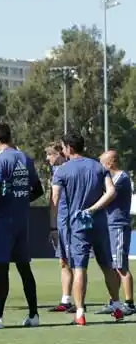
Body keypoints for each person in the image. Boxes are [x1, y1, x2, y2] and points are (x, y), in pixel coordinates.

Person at [51, 133, 124, 325]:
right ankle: (117, 305)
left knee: (79, 268)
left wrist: (56, 222)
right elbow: (111, 192)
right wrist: (93, 209)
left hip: (77, 225)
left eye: (63, 147)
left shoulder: (62, 170)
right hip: (98, 223)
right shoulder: (99, 167)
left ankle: (80, 313)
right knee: (107, 265)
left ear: (69, 148)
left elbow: (55, 199)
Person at [0, 122, 44, 330]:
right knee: (24, 268)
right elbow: (38, 189)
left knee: (1, 268)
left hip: (3, 222)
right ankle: (34, 315)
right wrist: (20, 200)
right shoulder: (24, 157)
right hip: (21, 220)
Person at [99, 150, 135, 315]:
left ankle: (129, 304)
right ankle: (115, 302)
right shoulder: (112, 179)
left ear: (110, 162)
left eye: (102, 163)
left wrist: (91, 209)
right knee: (113, 267)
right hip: (109, 226)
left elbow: (107, 196)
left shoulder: (122, 178)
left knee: (121, 266)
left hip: (118, 226)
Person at [45, 142, 75, 313]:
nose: (47, 158)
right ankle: (66, 300)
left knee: (74, 261)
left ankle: (78, 300)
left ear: (60, 153)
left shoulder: (67, 170)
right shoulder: (56, 172)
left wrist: (54, 225)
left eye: (50, 154)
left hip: (70, 221)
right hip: (61, 222)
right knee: (63, 261)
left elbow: (56, 199)